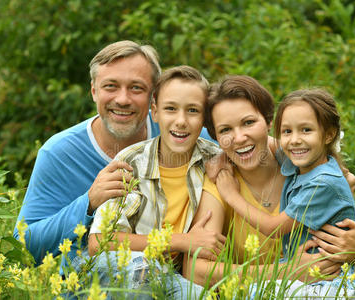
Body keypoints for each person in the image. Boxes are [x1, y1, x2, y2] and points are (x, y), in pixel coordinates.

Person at [13, 41, 215, 268]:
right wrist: (88, 203)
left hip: (181, 273)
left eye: (136, 88)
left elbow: (241, 142)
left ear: (153, 98)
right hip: (98, 281)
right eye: (110, 86)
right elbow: (22, 247)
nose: (122, 99)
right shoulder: (60, 153)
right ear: (93, 91)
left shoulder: (184, 134)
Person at [183, 76, 355, 293]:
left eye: (249, 122)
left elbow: (339, 196)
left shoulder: (301, 166)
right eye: (225, 130)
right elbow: (196, 270)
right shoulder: (221, 183)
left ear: (269, 122)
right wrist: (287, 272)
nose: (239, 137)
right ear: (216, 138)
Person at [87, 65, 226, 299]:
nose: (181, 121)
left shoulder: (215, 159)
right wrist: (183, 241)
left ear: (205, 118)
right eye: (170, 109)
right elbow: (99, 242)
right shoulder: (131, 162)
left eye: (192, 110)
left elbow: (262, 142)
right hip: (131, 265)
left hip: (177, 275)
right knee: (141, 273)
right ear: (155, 111)